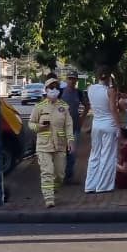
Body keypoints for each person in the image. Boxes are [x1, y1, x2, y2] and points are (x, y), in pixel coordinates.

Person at [28, 78, 73, 208]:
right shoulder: (39, 107)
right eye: (51, 88)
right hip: (44, 145)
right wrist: (39, 126)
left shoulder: (63, 107)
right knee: (47, 171)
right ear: (46, 90)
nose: (54, 91)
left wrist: (70, 140)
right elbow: (31, 124)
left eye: (56, 88)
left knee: (60, 174)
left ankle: (53, 189)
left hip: (60, 144)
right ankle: (49, 198)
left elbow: (68, 124)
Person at [83, 66, 120, 193]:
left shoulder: (90, 89)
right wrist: (118, 127)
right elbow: (113, 109)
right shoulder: (110, 91)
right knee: (108, 155)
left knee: (95, 154)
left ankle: (90, 185)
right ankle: (103, 186)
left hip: (96, 124)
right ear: (109, 77)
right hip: (109, 123)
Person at [60, 71, 89, 183]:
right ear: (66, 79)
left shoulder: (79, 93)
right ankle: (60, 175)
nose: (71, 81)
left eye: (74, 79)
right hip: (61, 127)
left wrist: (82, 118)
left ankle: (69, 176)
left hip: (75, 126)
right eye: (70, 78)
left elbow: (87, 105)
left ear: (77, 80)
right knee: (61, 152)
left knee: (72, 152)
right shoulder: (60, 92)